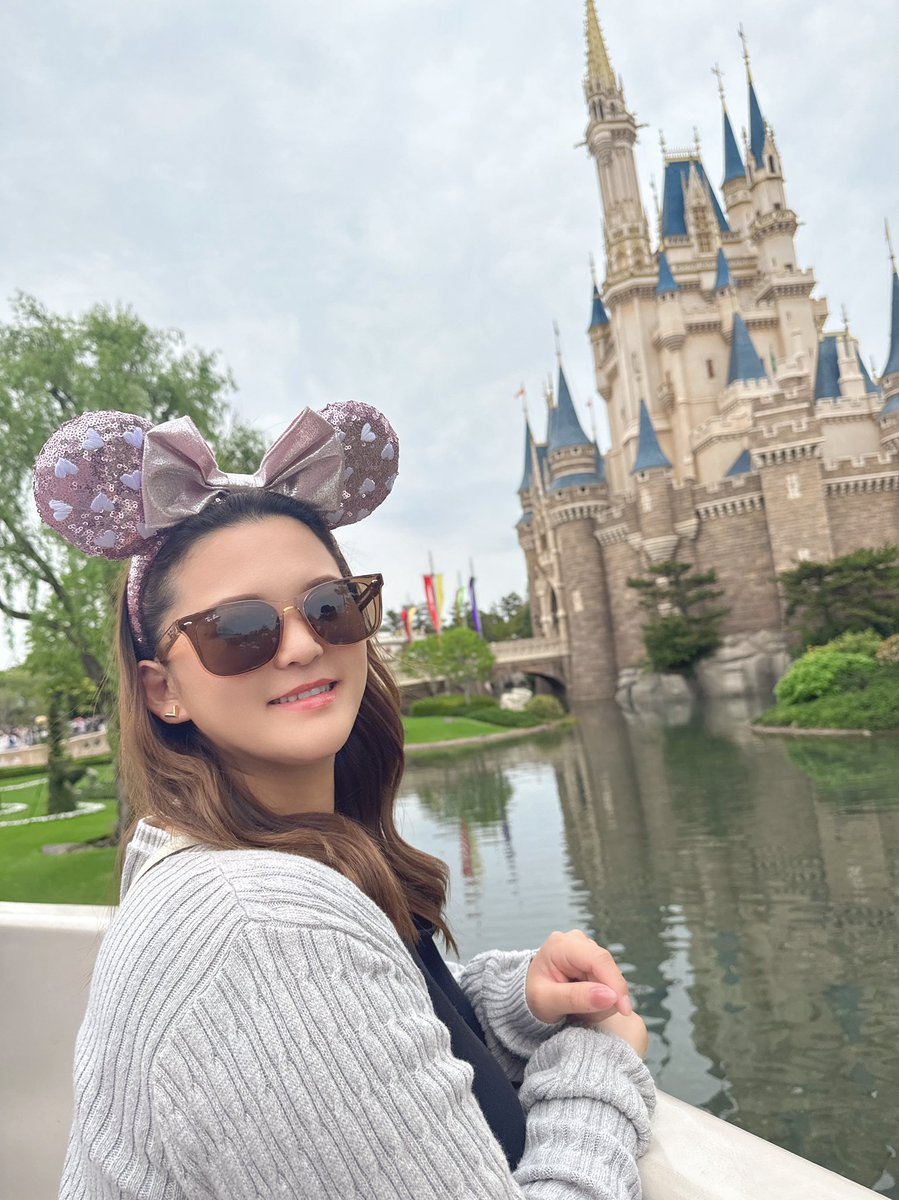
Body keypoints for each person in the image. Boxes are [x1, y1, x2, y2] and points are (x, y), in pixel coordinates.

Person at [34, 402, 655, 1199]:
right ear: (163, 691)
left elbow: (352, 1054)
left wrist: (508, 1008)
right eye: (239, 630)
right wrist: (596, 1067)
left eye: (329, 607)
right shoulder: (259, 931)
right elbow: (291, 997)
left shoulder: (230, 860)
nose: (302, 646)